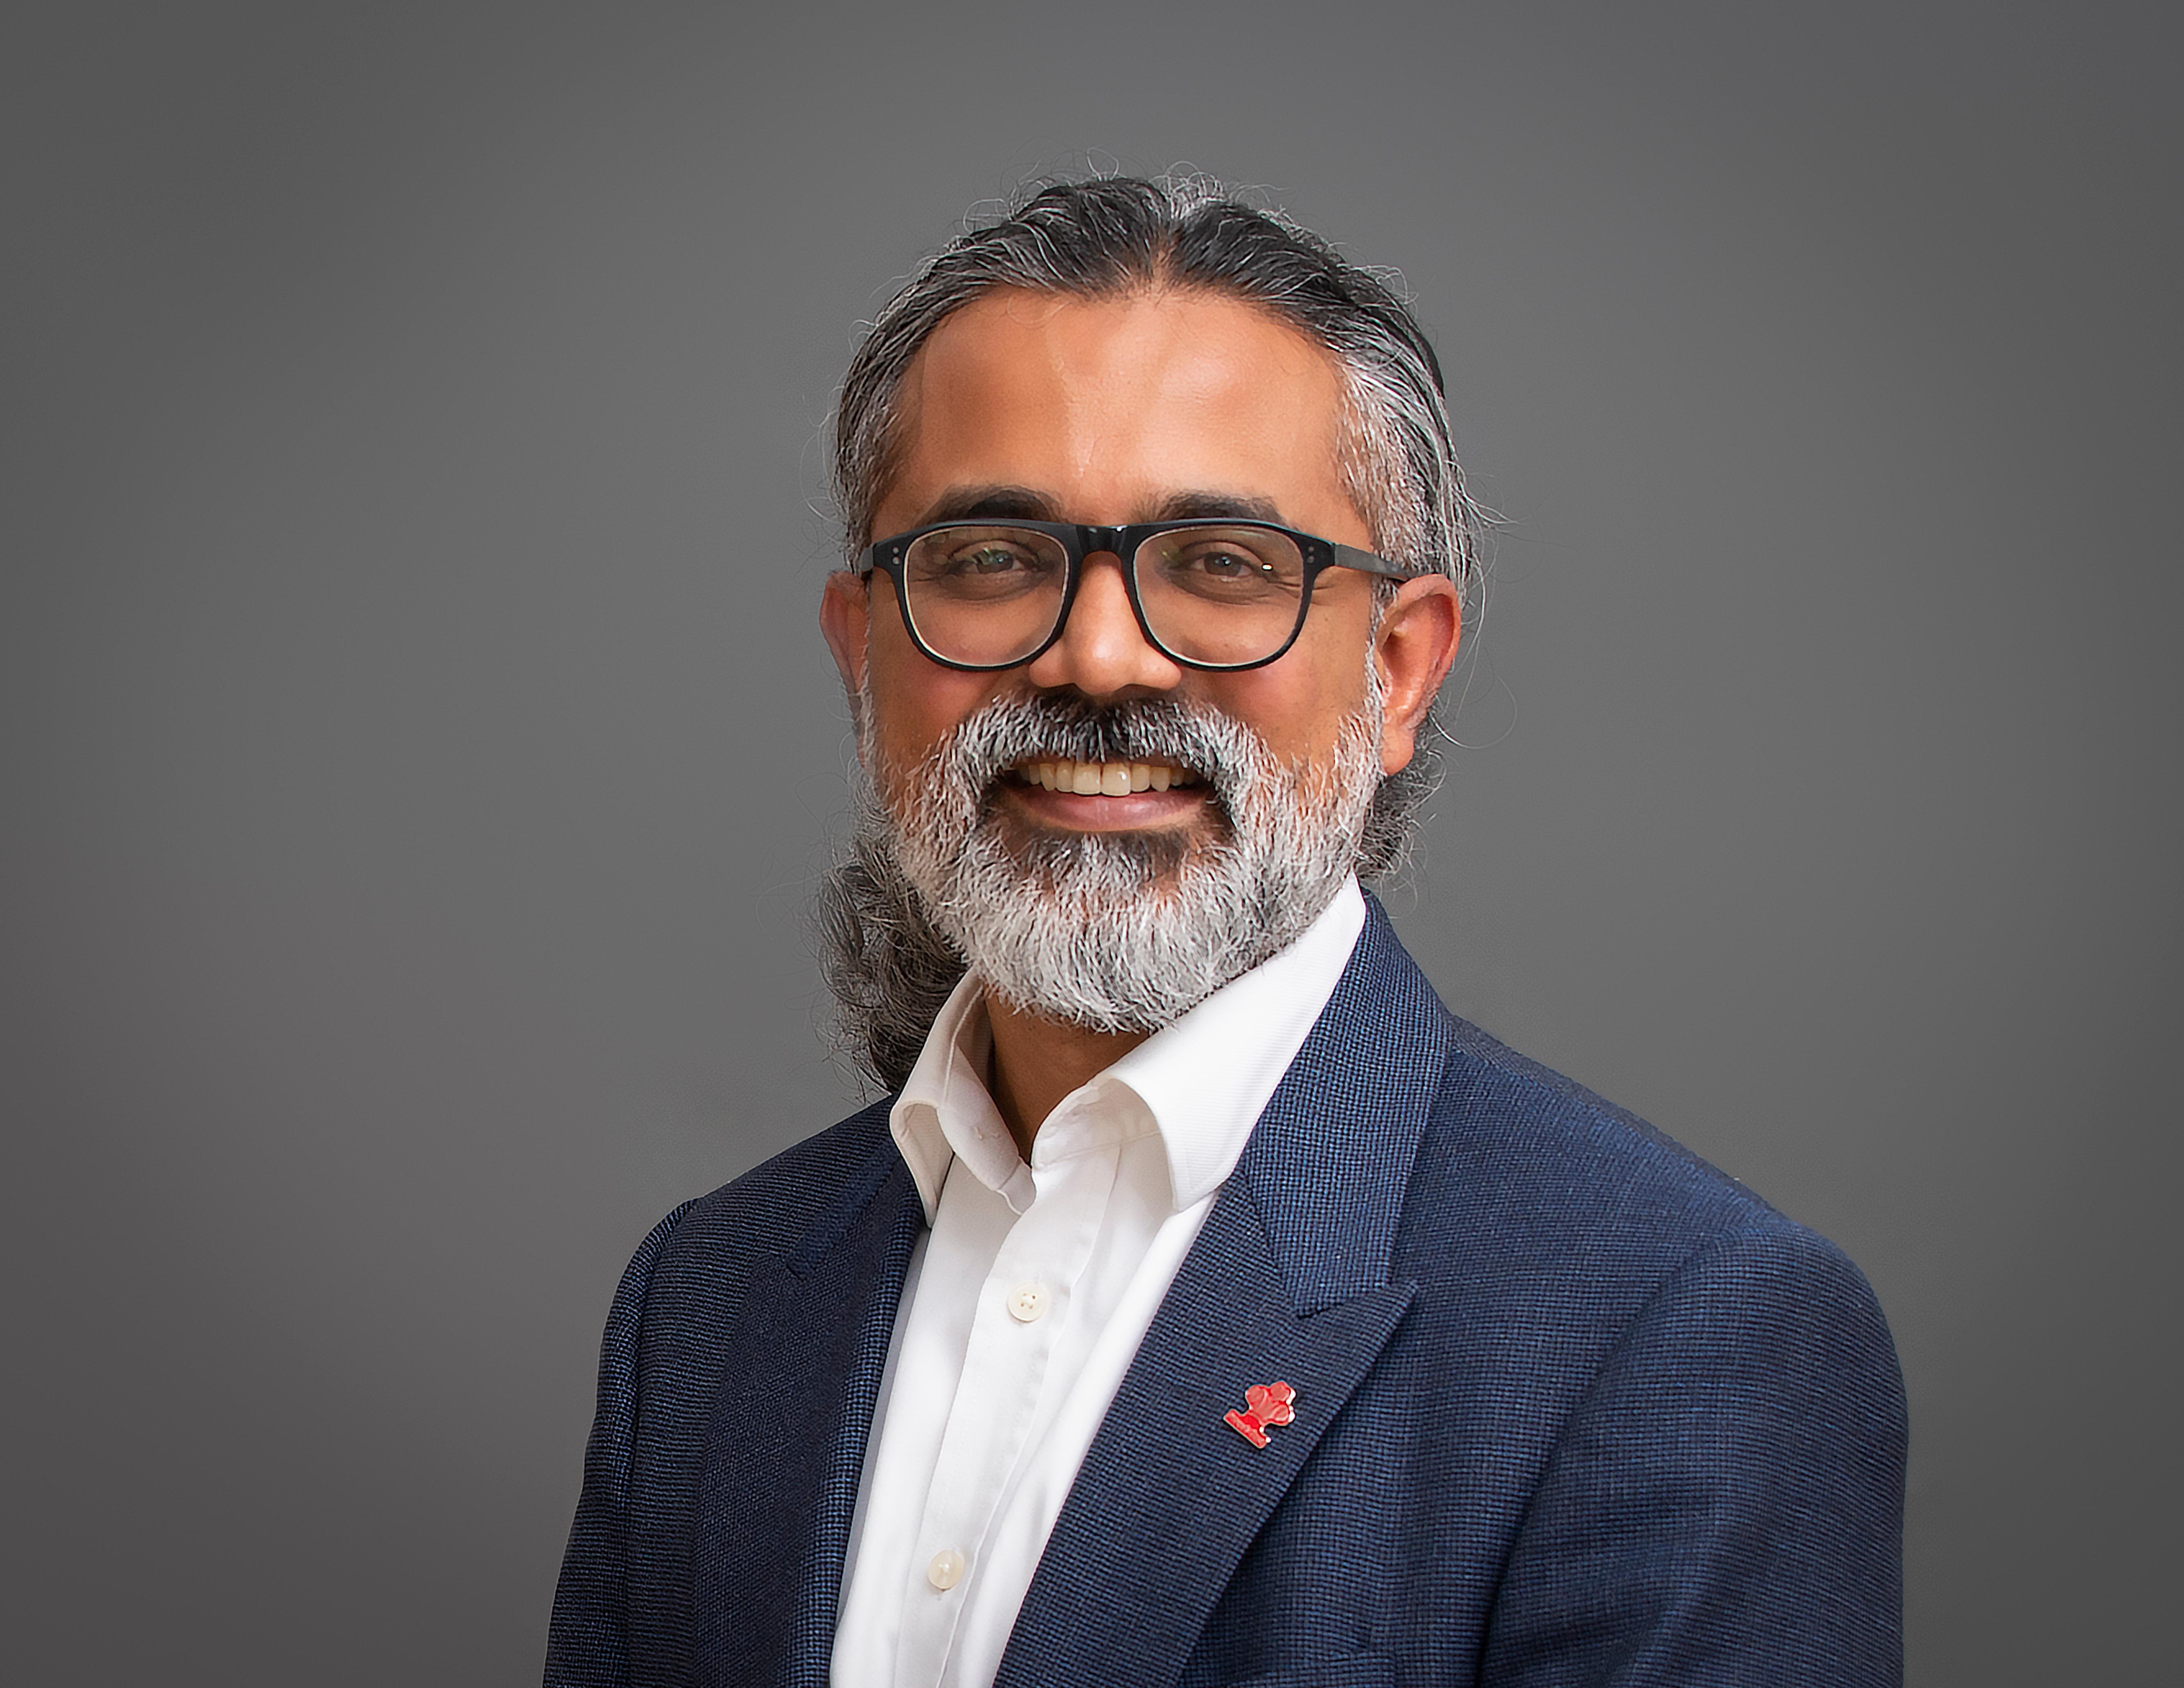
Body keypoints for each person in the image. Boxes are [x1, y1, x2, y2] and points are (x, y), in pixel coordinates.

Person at [544, 176, 1906, 1688]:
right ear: (864, 649)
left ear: (1396, 670)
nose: (1099, 656)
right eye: (993, 558)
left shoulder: (1675, 1333)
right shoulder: (709, 1301)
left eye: (1225, 565)